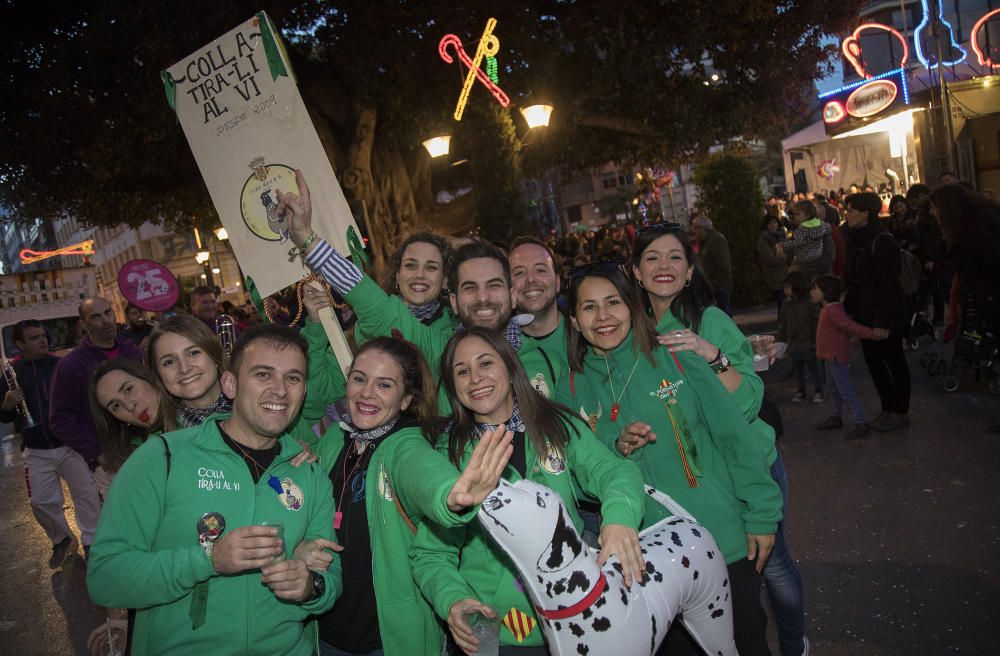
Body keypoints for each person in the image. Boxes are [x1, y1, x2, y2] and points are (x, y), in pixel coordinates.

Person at [562, 265, 782, 656]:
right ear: (575, 322)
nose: (603, 317)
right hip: (643, 560)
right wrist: (616, 448)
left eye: (614, 302)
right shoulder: (570, 389)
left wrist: (762, 514)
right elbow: (575, 480)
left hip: (722, 540)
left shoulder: (676, 357)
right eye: (589, 308)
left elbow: (734, 437)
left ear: (632, 306)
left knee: (745, 643)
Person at [87, 324, 342, 656]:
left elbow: (330, 578)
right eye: (263, 374)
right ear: (231, 384)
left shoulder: (309, 472)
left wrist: (311, 585)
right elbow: (106, 578)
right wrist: (210, 559)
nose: (280, 390)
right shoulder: (160, 457)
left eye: (293, 378)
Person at [411, 327, 647, 655]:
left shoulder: (557, 425)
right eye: (462, 371)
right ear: (453, 387)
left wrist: (619, 519)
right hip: (490, 622)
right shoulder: (446, 453)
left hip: (576, 614)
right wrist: (454, 600)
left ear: (510, 367)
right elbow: (431, 553)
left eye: (486, 363)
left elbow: (616, 471)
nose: (475, 378)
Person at [302, 336, 513, 656]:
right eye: (359, 379)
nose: (367, 393)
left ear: (404, 401)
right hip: (326, 634)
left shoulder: (405, 445)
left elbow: (424, 474)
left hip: (389, 640)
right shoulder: (335, 438)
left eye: (385, 385)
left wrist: (450, 495)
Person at [276, 169, 564, 399]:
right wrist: (307, 240)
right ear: (454, 299)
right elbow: (372, 303)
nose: (483, 298)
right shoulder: (441, 346)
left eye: (494, 285)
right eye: (470, 288)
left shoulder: (546, 359)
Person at [0, 319, 101, 563]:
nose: (43, 340)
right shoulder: (11, 374)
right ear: (19, 344)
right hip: (36, 449)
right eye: (34, 338)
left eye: (43, 335)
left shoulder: (62, 365)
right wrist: (7, 404)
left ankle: (92, 542)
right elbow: (4, 416)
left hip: (70, 445)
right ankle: (62, 538)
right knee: (41, 501)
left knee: (86, 494)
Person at [48, 297, 144, 484]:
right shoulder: (71, 365)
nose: (106, 320)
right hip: (111, 461)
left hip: (145, 447)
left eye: (108, 312)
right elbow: (60, 419)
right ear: (83, 324)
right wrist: (98, 452)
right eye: (96, 317)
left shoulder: (133, 352)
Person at [843, 192, 911, 432]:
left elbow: (887, 284)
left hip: (884, 314)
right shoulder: (854, 238)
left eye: (852, 210)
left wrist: (882, 321)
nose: (847, 214)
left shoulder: (882, 240)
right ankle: (887, 408)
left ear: (866, 213)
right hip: (864, 313)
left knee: (894, 360)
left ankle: (900, 410)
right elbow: (853, 279)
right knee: (874, 363)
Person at [355, 231, 456, 344]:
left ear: (444, 281)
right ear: (397, 276)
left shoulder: (453, 334)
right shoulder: (363, 324)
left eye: (431, 267)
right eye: (411, 265)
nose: (419, 274)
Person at [88, 358, 171, 493]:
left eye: (128, 389)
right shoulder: (139, 460)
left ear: (149, 378)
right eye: (116, 406)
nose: (129, 406)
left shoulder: (202, 415)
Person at [812, 276, 878, 440]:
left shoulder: (832, 310)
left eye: (815, 288)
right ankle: (836, 416)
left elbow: (850, 326)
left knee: (845, 391)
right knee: (833, 389)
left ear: (825, 291)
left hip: (835, 357)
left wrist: (871, 333)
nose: (811, 291)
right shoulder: (830, 308)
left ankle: (861, 422)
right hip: (830, 356)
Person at [777, 272, 824, 404]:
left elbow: (817, 323)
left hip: (809, 343)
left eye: (788, 287)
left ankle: (818, 390)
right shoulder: (786, 305)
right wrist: (781, 341)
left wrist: (817, 341)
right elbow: (783, 324)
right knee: (798, 369)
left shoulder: (810, 304)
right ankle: (801, 391)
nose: (785, 290)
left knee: (814, 369)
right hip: (794, 343)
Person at [779, 200, 833, 282]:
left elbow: (798, 242)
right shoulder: (821, 227)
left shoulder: (801, 230)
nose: (795, 217)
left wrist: (783, 245)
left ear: (808, 215)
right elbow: (828, 228)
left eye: (797, 214)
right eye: (794, 215)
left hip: (807, 265)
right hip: (813, 260)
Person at [690, 216, 733, 314]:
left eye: (696, 228)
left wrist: (715, 284)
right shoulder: (702, 242)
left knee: (723, 315)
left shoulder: (716, 240)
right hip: (711, 286)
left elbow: (723, 265)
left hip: (719, 286)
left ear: (703, 229)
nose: (694, 231)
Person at [757, 215, 789, 310]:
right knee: (782, 303)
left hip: (787, 274)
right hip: (775, 276)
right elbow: (770, 259)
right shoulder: (764, 240)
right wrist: (782, 258)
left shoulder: (783, 236)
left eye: (774, 222)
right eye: (770, 223)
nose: (773, 225)